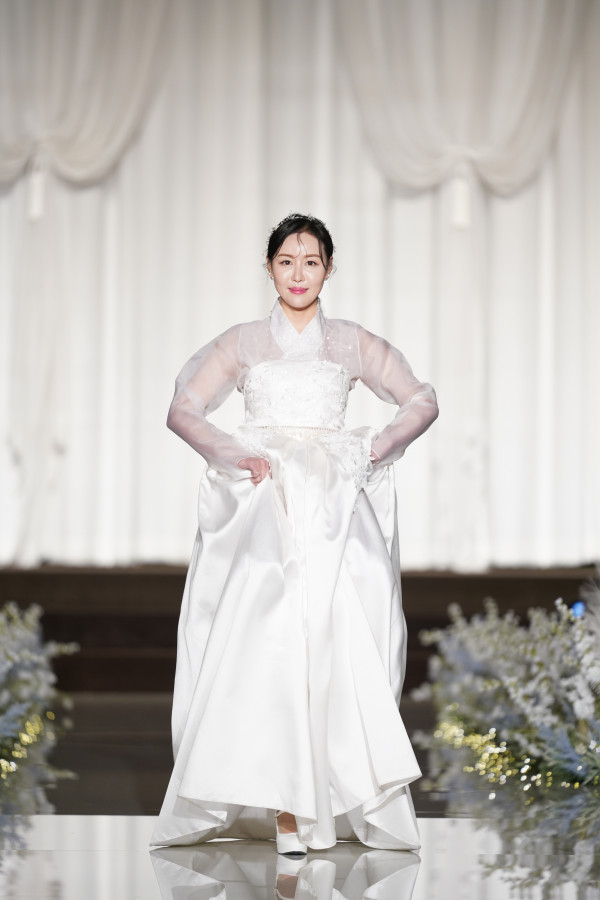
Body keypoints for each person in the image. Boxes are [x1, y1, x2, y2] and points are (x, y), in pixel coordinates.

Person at [150, 213, 438, 856]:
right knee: (268, 643)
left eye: (311, 261)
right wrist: (234, 453)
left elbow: (421, 399)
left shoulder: (352, 342)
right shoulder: (243, 341)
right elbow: (183, 408)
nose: (299, 273)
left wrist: (372, 448)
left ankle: (331, 798)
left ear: (329, 268)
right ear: (269, 267)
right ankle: (285, 804)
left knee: (339, 644)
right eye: (287, 261)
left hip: (334, 505)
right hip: (269, 503)